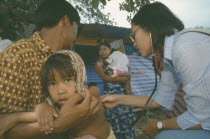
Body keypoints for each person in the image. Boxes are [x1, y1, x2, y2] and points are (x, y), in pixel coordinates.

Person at [101, 2, 210, 139]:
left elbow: (200, 119)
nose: (134, 43)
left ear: (150, 28)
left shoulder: (185, 48)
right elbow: (161, 99)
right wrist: (117, 99)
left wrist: (159, 125)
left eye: (134, 35)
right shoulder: (170, 55)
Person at [0, 0, 99, 138]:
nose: (76, 36)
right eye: (77, 27)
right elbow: (5, 127)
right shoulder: (18, 55)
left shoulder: (70, 59)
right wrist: (60, 124)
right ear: (66, 20)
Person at [39, 50, 113, 139]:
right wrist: (43, 106)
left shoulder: (89, 99)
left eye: (67, 80)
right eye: (52, 84)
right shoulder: (55, 105)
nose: (61, 91)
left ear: (80, 79)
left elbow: (94, 91)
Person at [95, 42, 135, 139]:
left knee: (127, 119)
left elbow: (126, 75)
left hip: (122, 93)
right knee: (114, 121)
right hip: (111, 95)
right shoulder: (99, 64)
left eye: (104, 49)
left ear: (110, 49)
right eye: (100, 50)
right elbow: (105, 78)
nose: (102, 51)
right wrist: (123, 79)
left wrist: (129, 92)